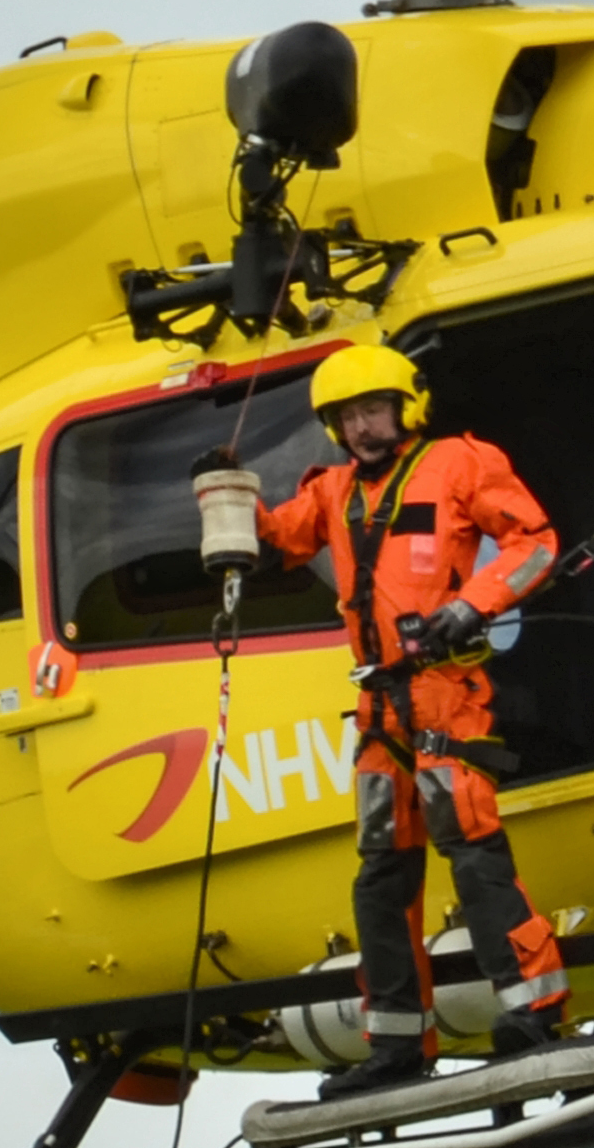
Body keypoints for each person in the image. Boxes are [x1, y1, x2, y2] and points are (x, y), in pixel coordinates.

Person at [237, 342, 570, 1091]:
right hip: (378, 707)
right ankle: (395, 1045)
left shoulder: (460, 462)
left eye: (371, 410)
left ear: (405, 407)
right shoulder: (331, 491)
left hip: (446, 692)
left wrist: (471, 604)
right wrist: (225, 495)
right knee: (381, 876)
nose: (360, 427)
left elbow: (535, 543)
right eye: (346, 416)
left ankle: (533, 1011)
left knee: (472, 852)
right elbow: (278, 540)